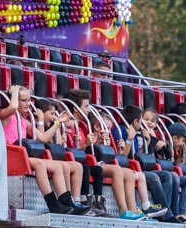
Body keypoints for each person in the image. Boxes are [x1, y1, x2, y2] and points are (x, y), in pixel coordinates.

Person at [62, 89, 154, 221]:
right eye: (86, 106)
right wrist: (85, 144)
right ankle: (122, 210)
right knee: (116, 170)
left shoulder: (83, 125)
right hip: (82, 163)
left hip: (91, 162)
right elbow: (71, 150)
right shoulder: (70, 125)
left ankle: (132, 211)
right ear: (76, 109)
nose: (89, 110)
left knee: (128, 172)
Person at [0, 85, 89, 215]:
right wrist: (14, 94)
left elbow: (43, 138)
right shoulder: (5, 115)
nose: (28, 103)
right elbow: (12, 108)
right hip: (8, 156)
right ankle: (53, 204)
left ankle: (67, 202)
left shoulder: (24, 121)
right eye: (23, 100)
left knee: (60, 165)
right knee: (39, 164)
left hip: (21, 156)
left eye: (29, 100)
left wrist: (57, 122)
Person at [35, 99, 107, 216]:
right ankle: (64, 202)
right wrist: (54, 123)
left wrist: (56, 125)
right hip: (38, 158)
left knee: (78, 166)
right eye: (52, 114)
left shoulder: (53, 126)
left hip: (52, 159)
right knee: (66, 166)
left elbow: (57, 145)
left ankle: (74, 202)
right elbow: (42, 139)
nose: (54, 117)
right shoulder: (35, 124)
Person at [113, 105, 173, 221]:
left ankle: (168, 212)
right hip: (130, 168)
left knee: (168, 175)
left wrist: (149, 141)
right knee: (153, 176)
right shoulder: (120, 131)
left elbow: (139, 154)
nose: (145, 124)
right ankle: (166, 216)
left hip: (137, 167)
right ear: (136, 121)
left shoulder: (137, 133)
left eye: (152, 121)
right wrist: (129, 139)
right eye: (143, 120)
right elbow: (123, 157)